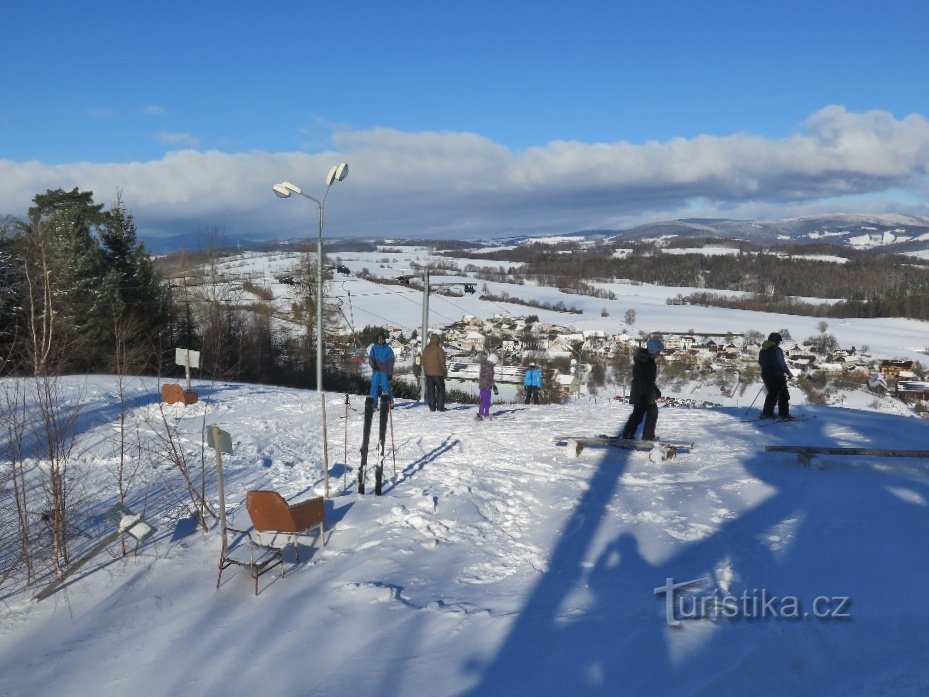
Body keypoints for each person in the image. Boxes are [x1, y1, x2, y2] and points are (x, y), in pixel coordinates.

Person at [620, 336, 664, 441]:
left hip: (646, 393)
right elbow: (641, 380)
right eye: (658, 351)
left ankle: (648, 437)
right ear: (652, 349)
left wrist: (655, 391)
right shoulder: (643, 362)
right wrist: (644, 396)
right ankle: (627, 435)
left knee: (651, 413)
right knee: (638, 415)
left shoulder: (649, 361)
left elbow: (649, 380)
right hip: (641, 393)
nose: (659, 354)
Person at [758, 332, 793, 419]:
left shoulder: (762, 350)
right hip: (777, 375)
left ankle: (767, 413)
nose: (779, 343)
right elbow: (781, 363)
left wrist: (768, 369)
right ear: (776, 340)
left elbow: (760, 362)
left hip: (765, 374)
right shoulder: (777, 350)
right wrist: (788, 373)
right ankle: (784, 414)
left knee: (772, 393)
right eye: (779, 341)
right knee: (783, 394)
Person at [422, 333, 448, 412]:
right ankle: (440, 407)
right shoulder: (439, 349)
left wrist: (426, 370)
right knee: (440, 389)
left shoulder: (426, 349)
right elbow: (442, 362)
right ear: (438, 340)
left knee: (430, 390)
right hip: (438, 373)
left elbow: (423, 361)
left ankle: (432, 407)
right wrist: (444, 371)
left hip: (428, 374)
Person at [368, 331, 395, 401]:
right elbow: (371, 359)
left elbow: (391, 362)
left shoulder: (388, 349)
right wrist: (374, 366)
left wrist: (390, 373)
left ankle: (389, 402)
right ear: (377, 339)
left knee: (386, 387)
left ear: (384, 339)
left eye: (382, 339)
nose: (380, 340)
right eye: (379, 339)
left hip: (384, 372)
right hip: (376, 371)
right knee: (374, 387)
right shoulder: (373, 348)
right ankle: (373, 404)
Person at [477, 353, 498, 419]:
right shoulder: (490, 367)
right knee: (487, 400)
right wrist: (494, 386)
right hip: (487, 386)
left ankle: (481, 413)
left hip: (482, 385)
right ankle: (486, 414)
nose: (495, 365)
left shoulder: (483, 365)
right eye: (495, 363)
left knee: (482, 399)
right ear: (493, 361)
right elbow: (489, 378)